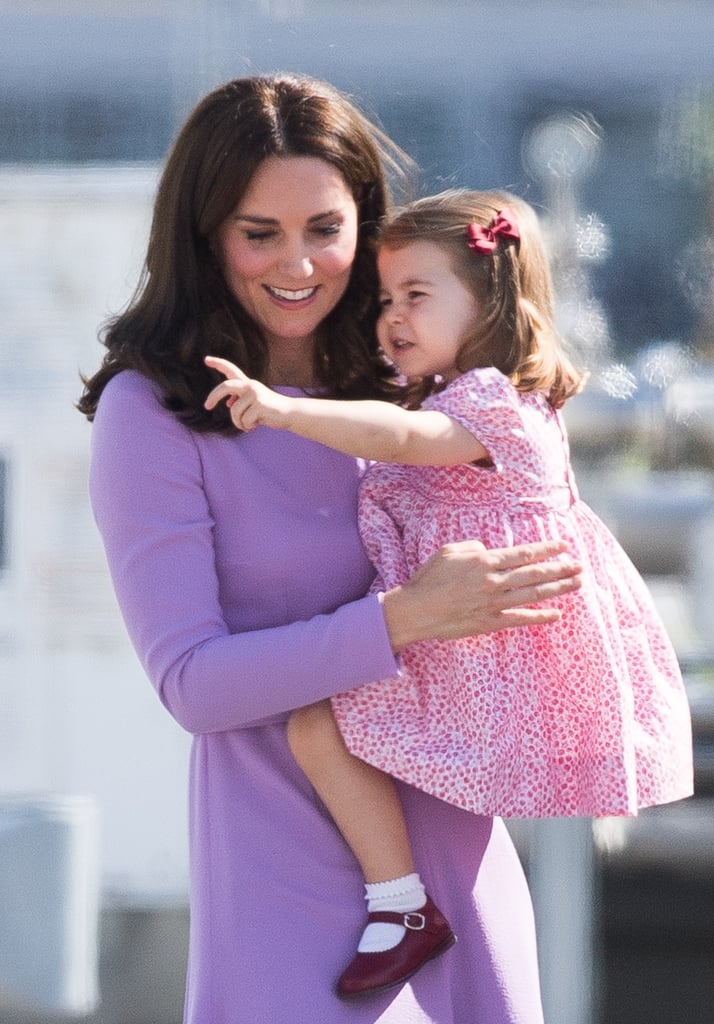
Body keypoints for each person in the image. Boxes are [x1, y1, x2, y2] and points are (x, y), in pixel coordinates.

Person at [77, 75, 585, 1024]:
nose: (297, 263)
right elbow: (194, 684)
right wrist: (404, 618)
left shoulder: (419, 387)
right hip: (277, 865)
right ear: (201, 236)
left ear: (367, 224)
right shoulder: (151, 415)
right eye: (256, 232)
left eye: (324, 227)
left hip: (451, 846)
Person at [204, 188, 695, 998]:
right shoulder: (458, 393)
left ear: (490, 301)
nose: (392, 317)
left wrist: (283, 412)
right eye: (386, 299)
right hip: (460, 635)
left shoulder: (491, 405)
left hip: (480, 645)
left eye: (417, 296)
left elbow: (401, 438)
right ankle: (400, 903)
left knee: (318, 725)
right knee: (320, 728)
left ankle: (400, 905)